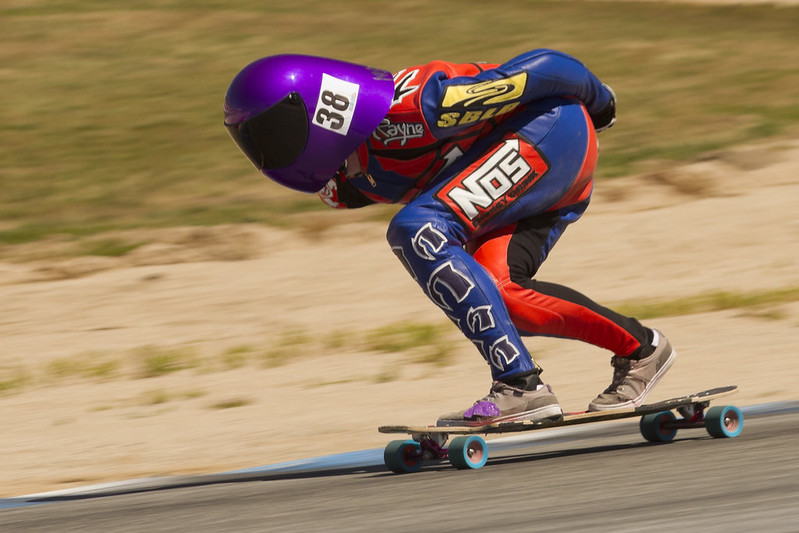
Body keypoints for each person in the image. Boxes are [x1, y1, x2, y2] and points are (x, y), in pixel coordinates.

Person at [223, 49, 676, 426]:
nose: (267, 153)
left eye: (271, 135)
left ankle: (519, 386)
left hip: (554, 131)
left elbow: (549, 68)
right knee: (501, 295)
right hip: (529, 182)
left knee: (416, 228)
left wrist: (601, 102)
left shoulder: (419, 105)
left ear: (322, 110)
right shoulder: (343, 186)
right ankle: (642, 350)